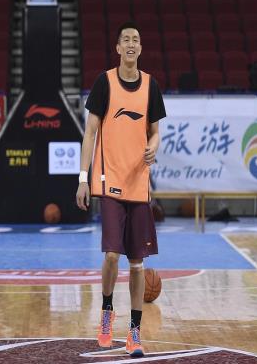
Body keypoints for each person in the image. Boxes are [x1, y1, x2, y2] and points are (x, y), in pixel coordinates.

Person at [76, 21, 166, 357]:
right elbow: (90, 133)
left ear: (140, 48)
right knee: (112, 255)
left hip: (139, 184)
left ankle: (134, 332)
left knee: (138, 264)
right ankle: (106, 312)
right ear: (118, 48)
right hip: (110, 180)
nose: (130, 43)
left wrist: (153, 146)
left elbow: (155, 132)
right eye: (125, 39)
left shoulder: (151, 86)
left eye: (135, 40)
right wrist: (83, 179)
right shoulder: (105, 82)